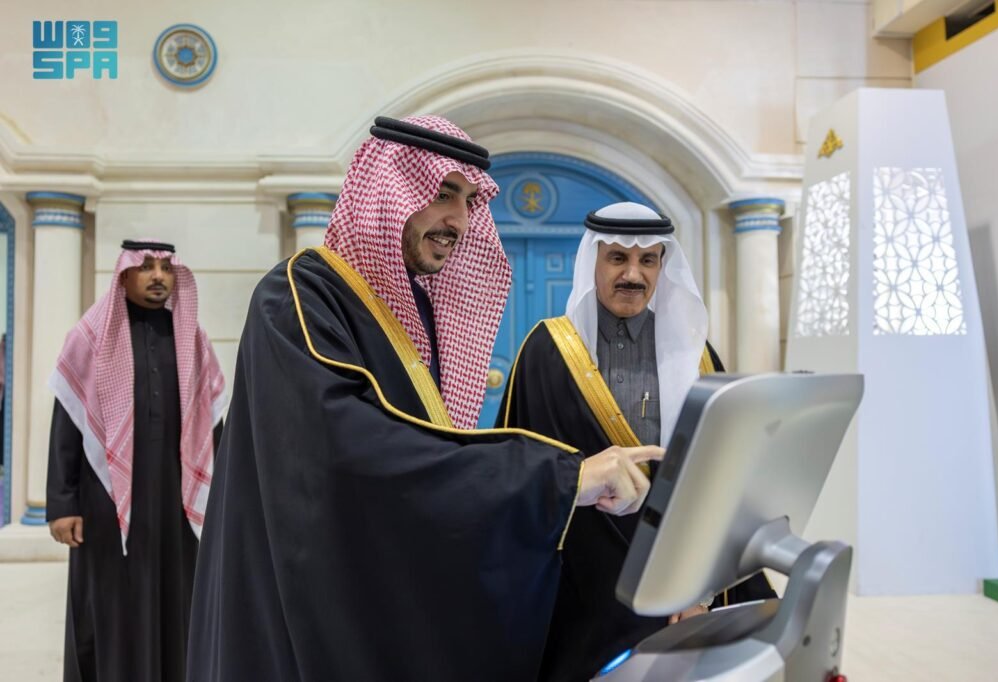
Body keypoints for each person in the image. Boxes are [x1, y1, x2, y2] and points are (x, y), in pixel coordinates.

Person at [186, 116, 663, 682]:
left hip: (369, 592)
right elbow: (351, 449)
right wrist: (556, 479)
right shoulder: (299, 296)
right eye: (442, 194)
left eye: (468, 201)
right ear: (387, 191)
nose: (457, 219)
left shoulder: (413, 309)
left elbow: (424, 456)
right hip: (306, 605)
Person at [498, 202, 777, 681]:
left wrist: (699, 589)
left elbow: (721, 477)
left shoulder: (697, 354)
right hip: (580, 588)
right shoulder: (547, 351)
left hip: (680, 578)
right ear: (593, 261)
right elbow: (523, 471)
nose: (633, 274)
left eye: (648, 260)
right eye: (618, 258)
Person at [46, 240, 227, 682]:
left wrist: (223, 498)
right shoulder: (91, 338)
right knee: (110, 605)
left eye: (166, 267)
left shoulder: (192, 340)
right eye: (146, 266)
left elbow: (213, 425)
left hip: (175, 502)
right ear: (124, 274)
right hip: (105, 504)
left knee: (178, 599)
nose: (158, 276)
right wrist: (63, 503)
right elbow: (67, 423)